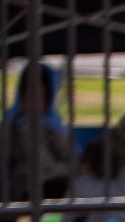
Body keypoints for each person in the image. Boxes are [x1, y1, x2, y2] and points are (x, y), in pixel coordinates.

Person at [4, 63, 74, 205]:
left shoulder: (56, 124)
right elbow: (41, 165)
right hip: (29, 192)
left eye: (41, 100)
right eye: (30, 98)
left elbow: (72, 155)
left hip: (58, 187)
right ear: (21, 97)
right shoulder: (16, 127)